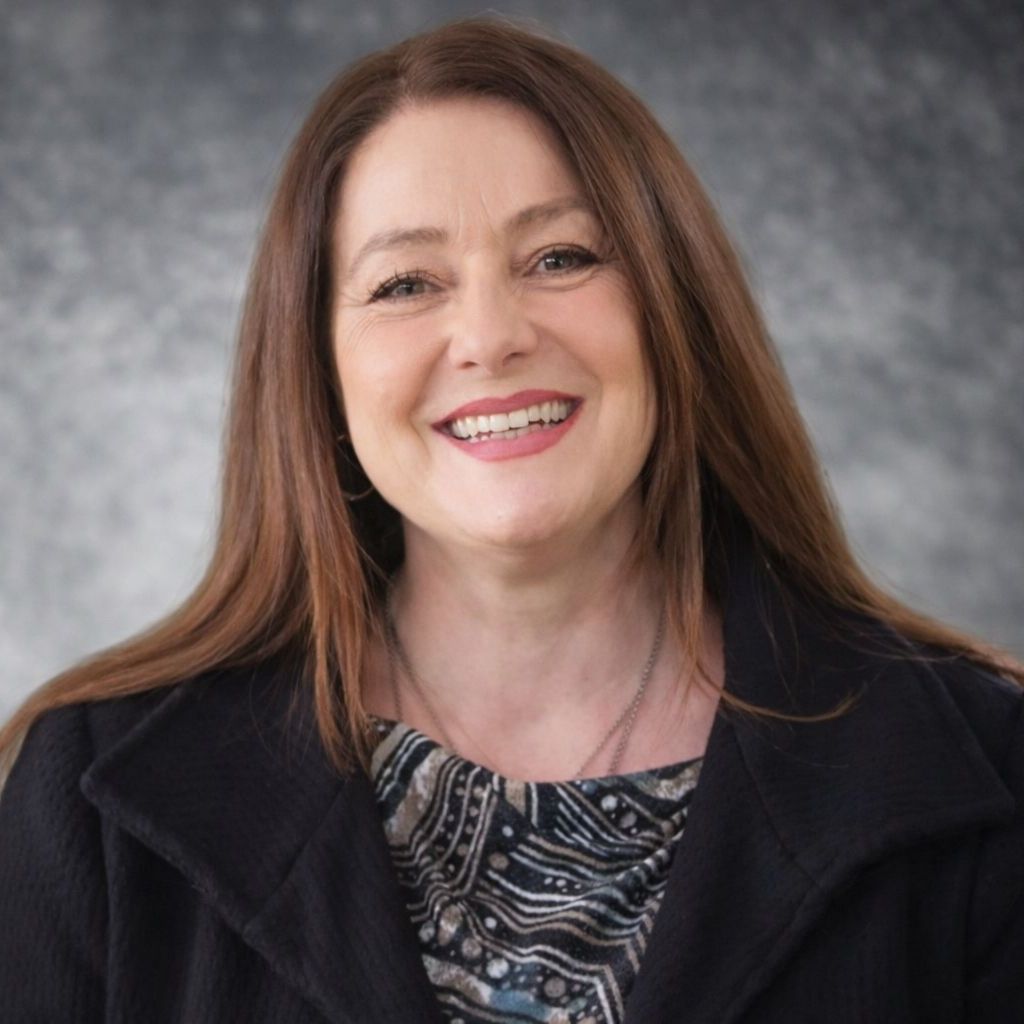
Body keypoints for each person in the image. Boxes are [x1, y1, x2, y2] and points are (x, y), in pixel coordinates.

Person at [0, 14, 1021, 1023]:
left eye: (561, 258)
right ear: (316, 367)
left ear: (677, 308)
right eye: (405, 283)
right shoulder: (88, 803)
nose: (489, 337)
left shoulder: (985, 770)